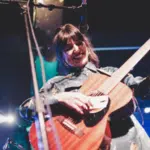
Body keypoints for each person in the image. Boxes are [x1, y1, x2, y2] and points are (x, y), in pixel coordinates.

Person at [19, 24, 150, 150]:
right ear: (61, 56)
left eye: (79, 43)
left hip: (123, 142)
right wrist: (60, 98)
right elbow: (25, 109)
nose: (76, 49)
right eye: (68, 48)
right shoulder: (57, 84)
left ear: (86, 46)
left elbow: (142, 88)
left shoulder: (111, 73)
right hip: (81, 144)